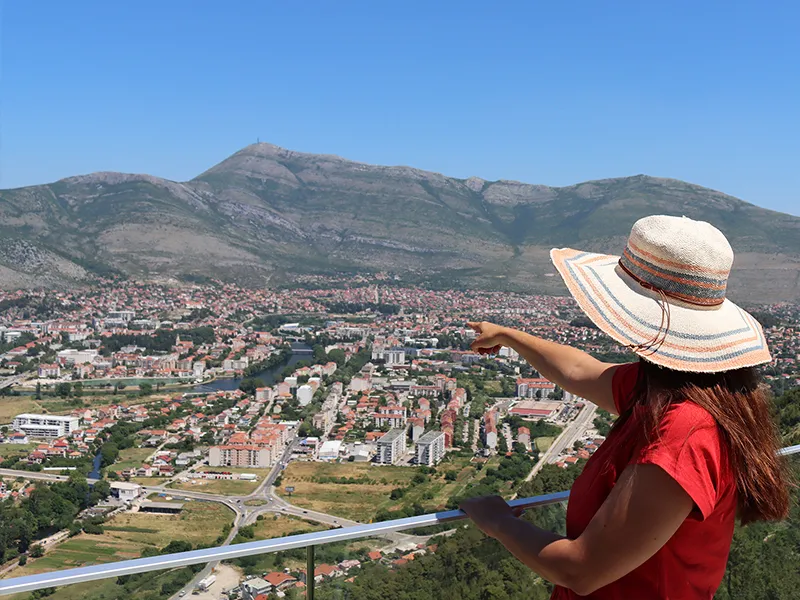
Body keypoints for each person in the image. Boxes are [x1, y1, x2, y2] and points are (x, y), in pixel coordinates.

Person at [459, 215, 790, 599]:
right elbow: (580, 370)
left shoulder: (685, 432)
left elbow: (580, 569)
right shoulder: (677, 389)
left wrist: (497, 520)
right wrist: (510, 336)